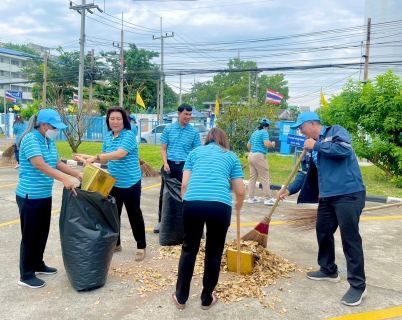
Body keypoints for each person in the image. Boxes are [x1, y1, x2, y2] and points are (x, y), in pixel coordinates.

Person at [277, 111, 367, 306]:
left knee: (350, 239)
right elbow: (304, 173)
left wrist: (316, 145)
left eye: (301, 128)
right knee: (323, 232)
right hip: (327, 197)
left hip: (348, 194)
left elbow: (344, 150)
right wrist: (289, 190)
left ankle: (358, 285)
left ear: (312, 123)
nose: (300, 132)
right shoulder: (309, 148)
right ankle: (328, 269)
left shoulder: (335, 132)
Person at [172, 128, 245, 310]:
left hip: (193, 203)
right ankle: (206, 299)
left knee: (189, 250)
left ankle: (181, 298)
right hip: (220, 206)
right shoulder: (231, 156)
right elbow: (240, 191)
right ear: (224, 140)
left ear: (207, 139)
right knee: (214, 252)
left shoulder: (194, 153)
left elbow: (185, 184)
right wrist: (238, 204)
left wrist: (186, 202)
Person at [16, 109, 82, 289]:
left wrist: (76, 174)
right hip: (30, 195)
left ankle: (38, 263)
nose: (56, 130)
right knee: (30, 235)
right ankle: (26, 274)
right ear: (43, 125)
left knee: (42, 232)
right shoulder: (30, 139)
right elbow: (39, 164)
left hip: (44, 194)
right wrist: (63, 179)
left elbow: (57, 162)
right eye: (54, 126)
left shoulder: (48, 140)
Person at [83, 106, 146, 261]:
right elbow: (105, 156)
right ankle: (115, 244)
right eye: (112, 119)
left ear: (124, 120)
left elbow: (119, 154)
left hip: (130, 182)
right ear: (108, 121)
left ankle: (141, 246)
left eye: (118, 119)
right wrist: (87, 156)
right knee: (113, 214)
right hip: (113, 182)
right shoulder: (109, 136)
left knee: (134, 214)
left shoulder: (129, 136)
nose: (115, 122)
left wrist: (94, 158)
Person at [153, 103, 201, 233]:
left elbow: (196, 151)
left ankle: (184, 223)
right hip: (169, 165)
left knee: (185, 195)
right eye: (186, 114)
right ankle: (161, 222)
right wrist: (165, 163)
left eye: (190, 115)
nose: (188, 117)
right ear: (179, 114)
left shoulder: (194, 132)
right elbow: (163, 148)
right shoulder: (168, 129)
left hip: (185, 167)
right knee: (165, 194)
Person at [246, 118, 276, 206]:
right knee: (265, 178)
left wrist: (254, 152)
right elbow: (266, 144)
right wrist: (272, 144)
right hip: (259, 156)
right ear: (267, 126)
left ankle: (251, 198)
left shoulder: (255, 132)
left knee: (252, 178)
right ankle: (268, 199)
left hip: (251, 155)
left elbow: (248, 145)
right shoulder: (264, 132)